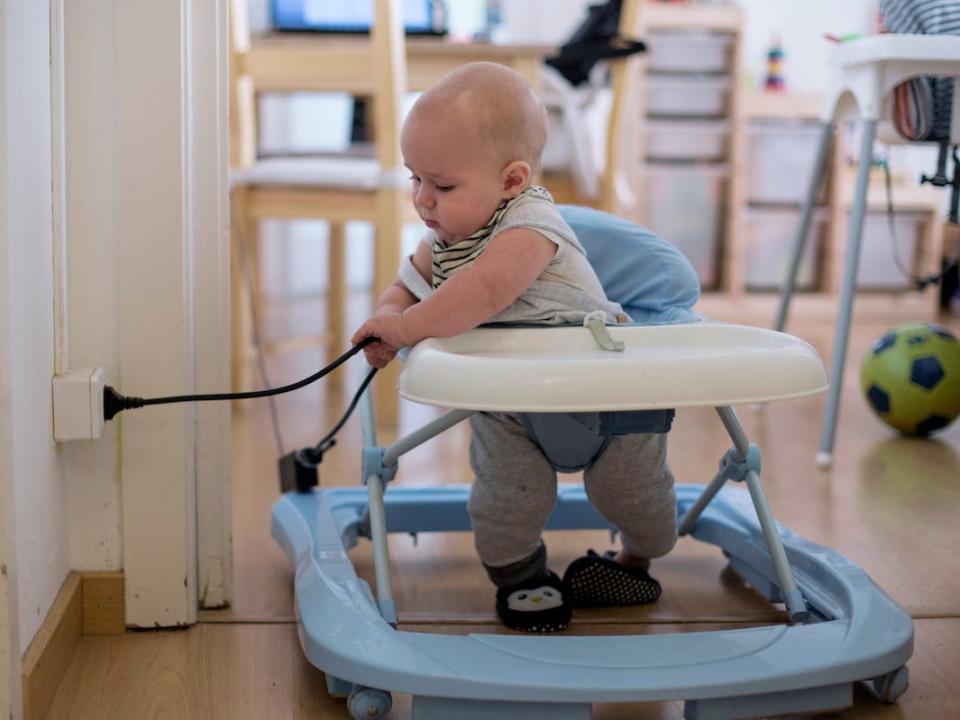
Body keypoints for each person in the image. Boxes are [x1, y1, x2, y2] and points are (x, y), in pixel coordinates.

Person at [351, 61, 677, 633]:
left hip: (609, 393)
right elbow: (406, 283)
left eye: (442, 185)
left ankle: (635, 560)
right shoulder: (445, 236)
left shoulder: (530, 227)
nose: (423, 200)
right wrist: (386, 316)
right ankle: (522, 577)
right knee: (506, 499)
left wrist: (408, 329)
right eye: (414, 178)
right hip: (511, 401)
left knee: (635, 498)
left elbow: (481, 293)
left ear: (511, 180)